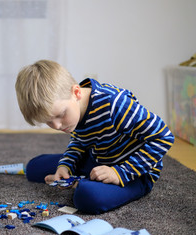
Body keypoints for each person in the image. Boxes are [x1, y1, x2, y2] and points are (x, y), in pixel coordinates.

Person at [15, 60, 174, 214]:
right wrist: (65, 166)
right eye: (49, 122)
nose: (57, 126)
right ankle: (81, 179)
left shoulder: (114, 104)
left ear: (76, 92)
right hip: (99, 160)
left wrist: (120, 173)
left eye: (60, 115)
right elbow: (79, 141)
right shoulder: (74, 111)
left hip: (135, 172)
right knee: (33, 168)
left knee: (86, 197)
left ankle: (83, 182)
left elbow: (164, 136)